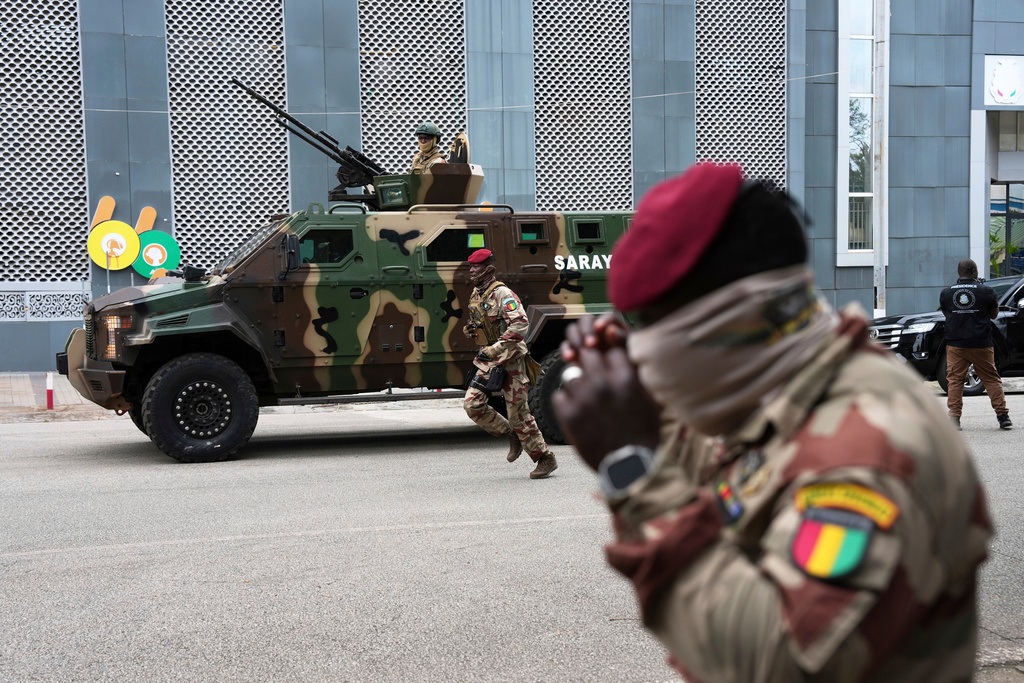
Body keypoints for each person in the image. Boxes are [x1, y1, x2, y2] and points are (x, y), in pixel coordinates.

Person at [553, 163, 992, 682]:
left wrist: (629, 465)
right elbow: (729, 470)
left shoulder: (868, 451)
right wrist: (639, 414)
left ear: (732, 320)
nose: (641, 349)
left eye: (648, 325)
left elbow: (780, 663)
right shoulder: (789, 395)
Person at [462, 248, 557, 479]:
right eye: (471, 267)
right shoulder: (477, 295)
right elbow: (481, 324)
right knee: (472, 405)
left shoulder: (503, 293)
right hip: (489, 360)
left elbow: (520, 325)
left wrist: (496, 347)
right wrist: (471, 331)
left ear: (487, 268)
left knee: (519, 414)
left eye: (475, 266)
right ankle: (510, 434)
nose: (472, 270)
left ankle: (545, 459)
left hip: (511, 359)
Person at [939, 259, 1011, 431]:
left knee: (955, 381)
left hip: (956, 344)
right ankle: (1003, 417)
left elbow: (945, 313)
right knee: (991, 379)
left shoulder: (946, 293)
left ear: (959, 272)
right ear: (973, 272)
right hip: (981, 343)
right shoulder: (986, 291)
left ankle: (954, 419)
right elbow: (994, 315)